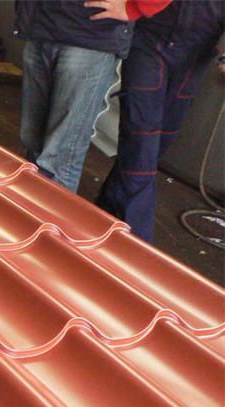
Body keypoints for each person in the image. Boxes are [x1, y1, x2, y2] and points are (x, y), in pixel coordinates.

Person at [96, 0, 225, 242]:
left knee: (158, 143)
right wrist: (132, 8)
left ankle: (107, 209)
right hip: (149, 40)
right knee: (141, 138)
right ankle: (136, 240)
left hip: (195, 53)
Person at [15, 0, 169, 193]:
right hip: (41, 27)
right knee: (32, 140)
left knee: (60, 157)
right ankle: (29, 205)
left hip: (90, 37)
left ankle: (48, 211)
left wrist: (134, 7)